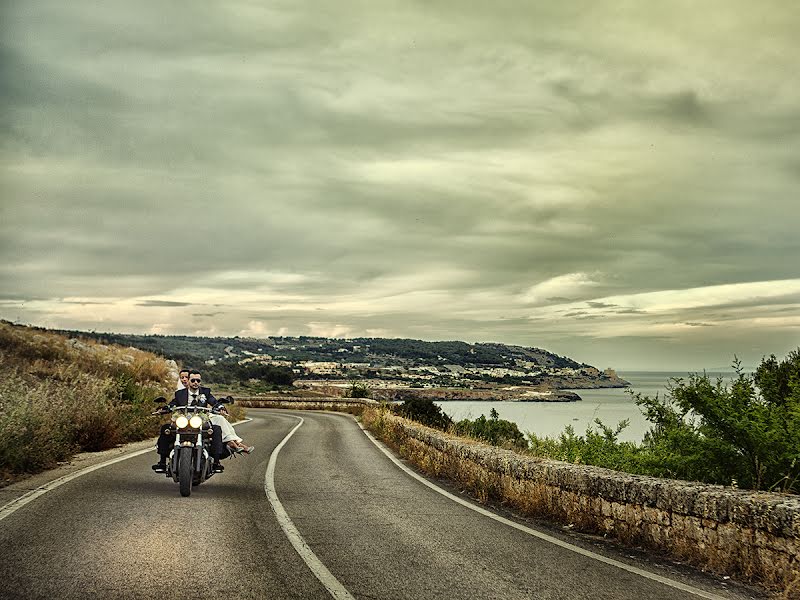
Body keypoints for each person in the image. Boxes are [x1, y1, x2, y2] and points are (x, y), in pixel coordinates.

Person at [152, 370, 228, 473]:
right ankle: (162, 462)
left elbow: (213, 401)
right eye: (193, 380)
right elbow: (173, 404)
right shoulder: (180, 394)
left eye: (198, 380)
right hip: (183, 421)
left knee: (216, 429)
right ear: (188, 381)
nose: (195, 382)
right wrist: (164, 409)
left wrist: (220, 407)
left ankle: (216, 462)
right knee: (166, 428)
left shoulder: (205, 392)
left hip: (200, 421)